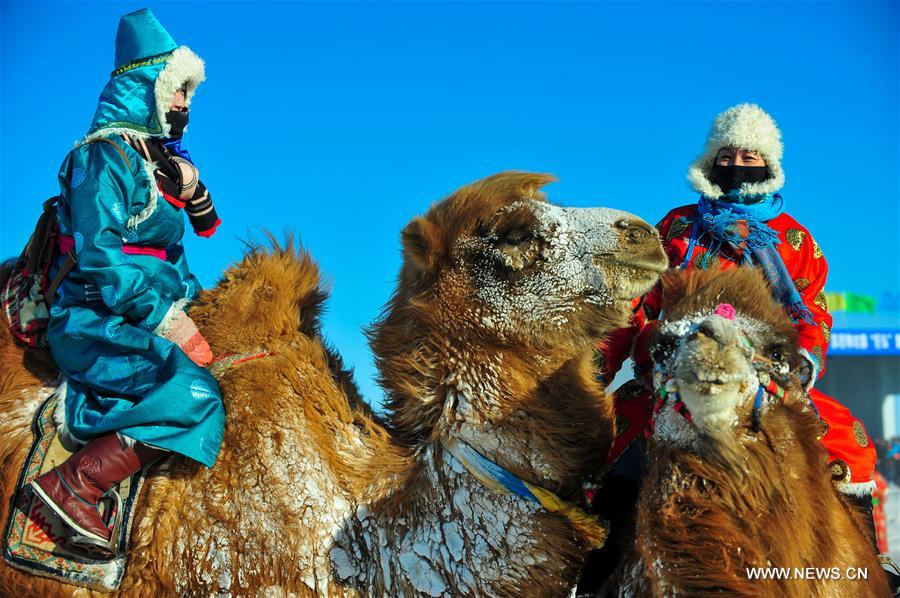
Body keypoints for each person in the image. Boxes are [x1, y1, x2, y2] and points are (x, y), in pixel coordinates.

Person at [28, 8, 224, 557]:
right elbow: (102, 258)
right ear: (145, 88)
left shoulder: (155, 162)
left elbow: (176, 253)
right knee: (196, 393)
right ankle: (75, 485)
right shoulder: (100, 158)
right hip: (96, 317)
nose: (185, 105)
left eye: (189, 93)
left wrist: (193, 302)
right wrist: (170, 320)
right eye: (176, 91)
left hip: (146, 309)